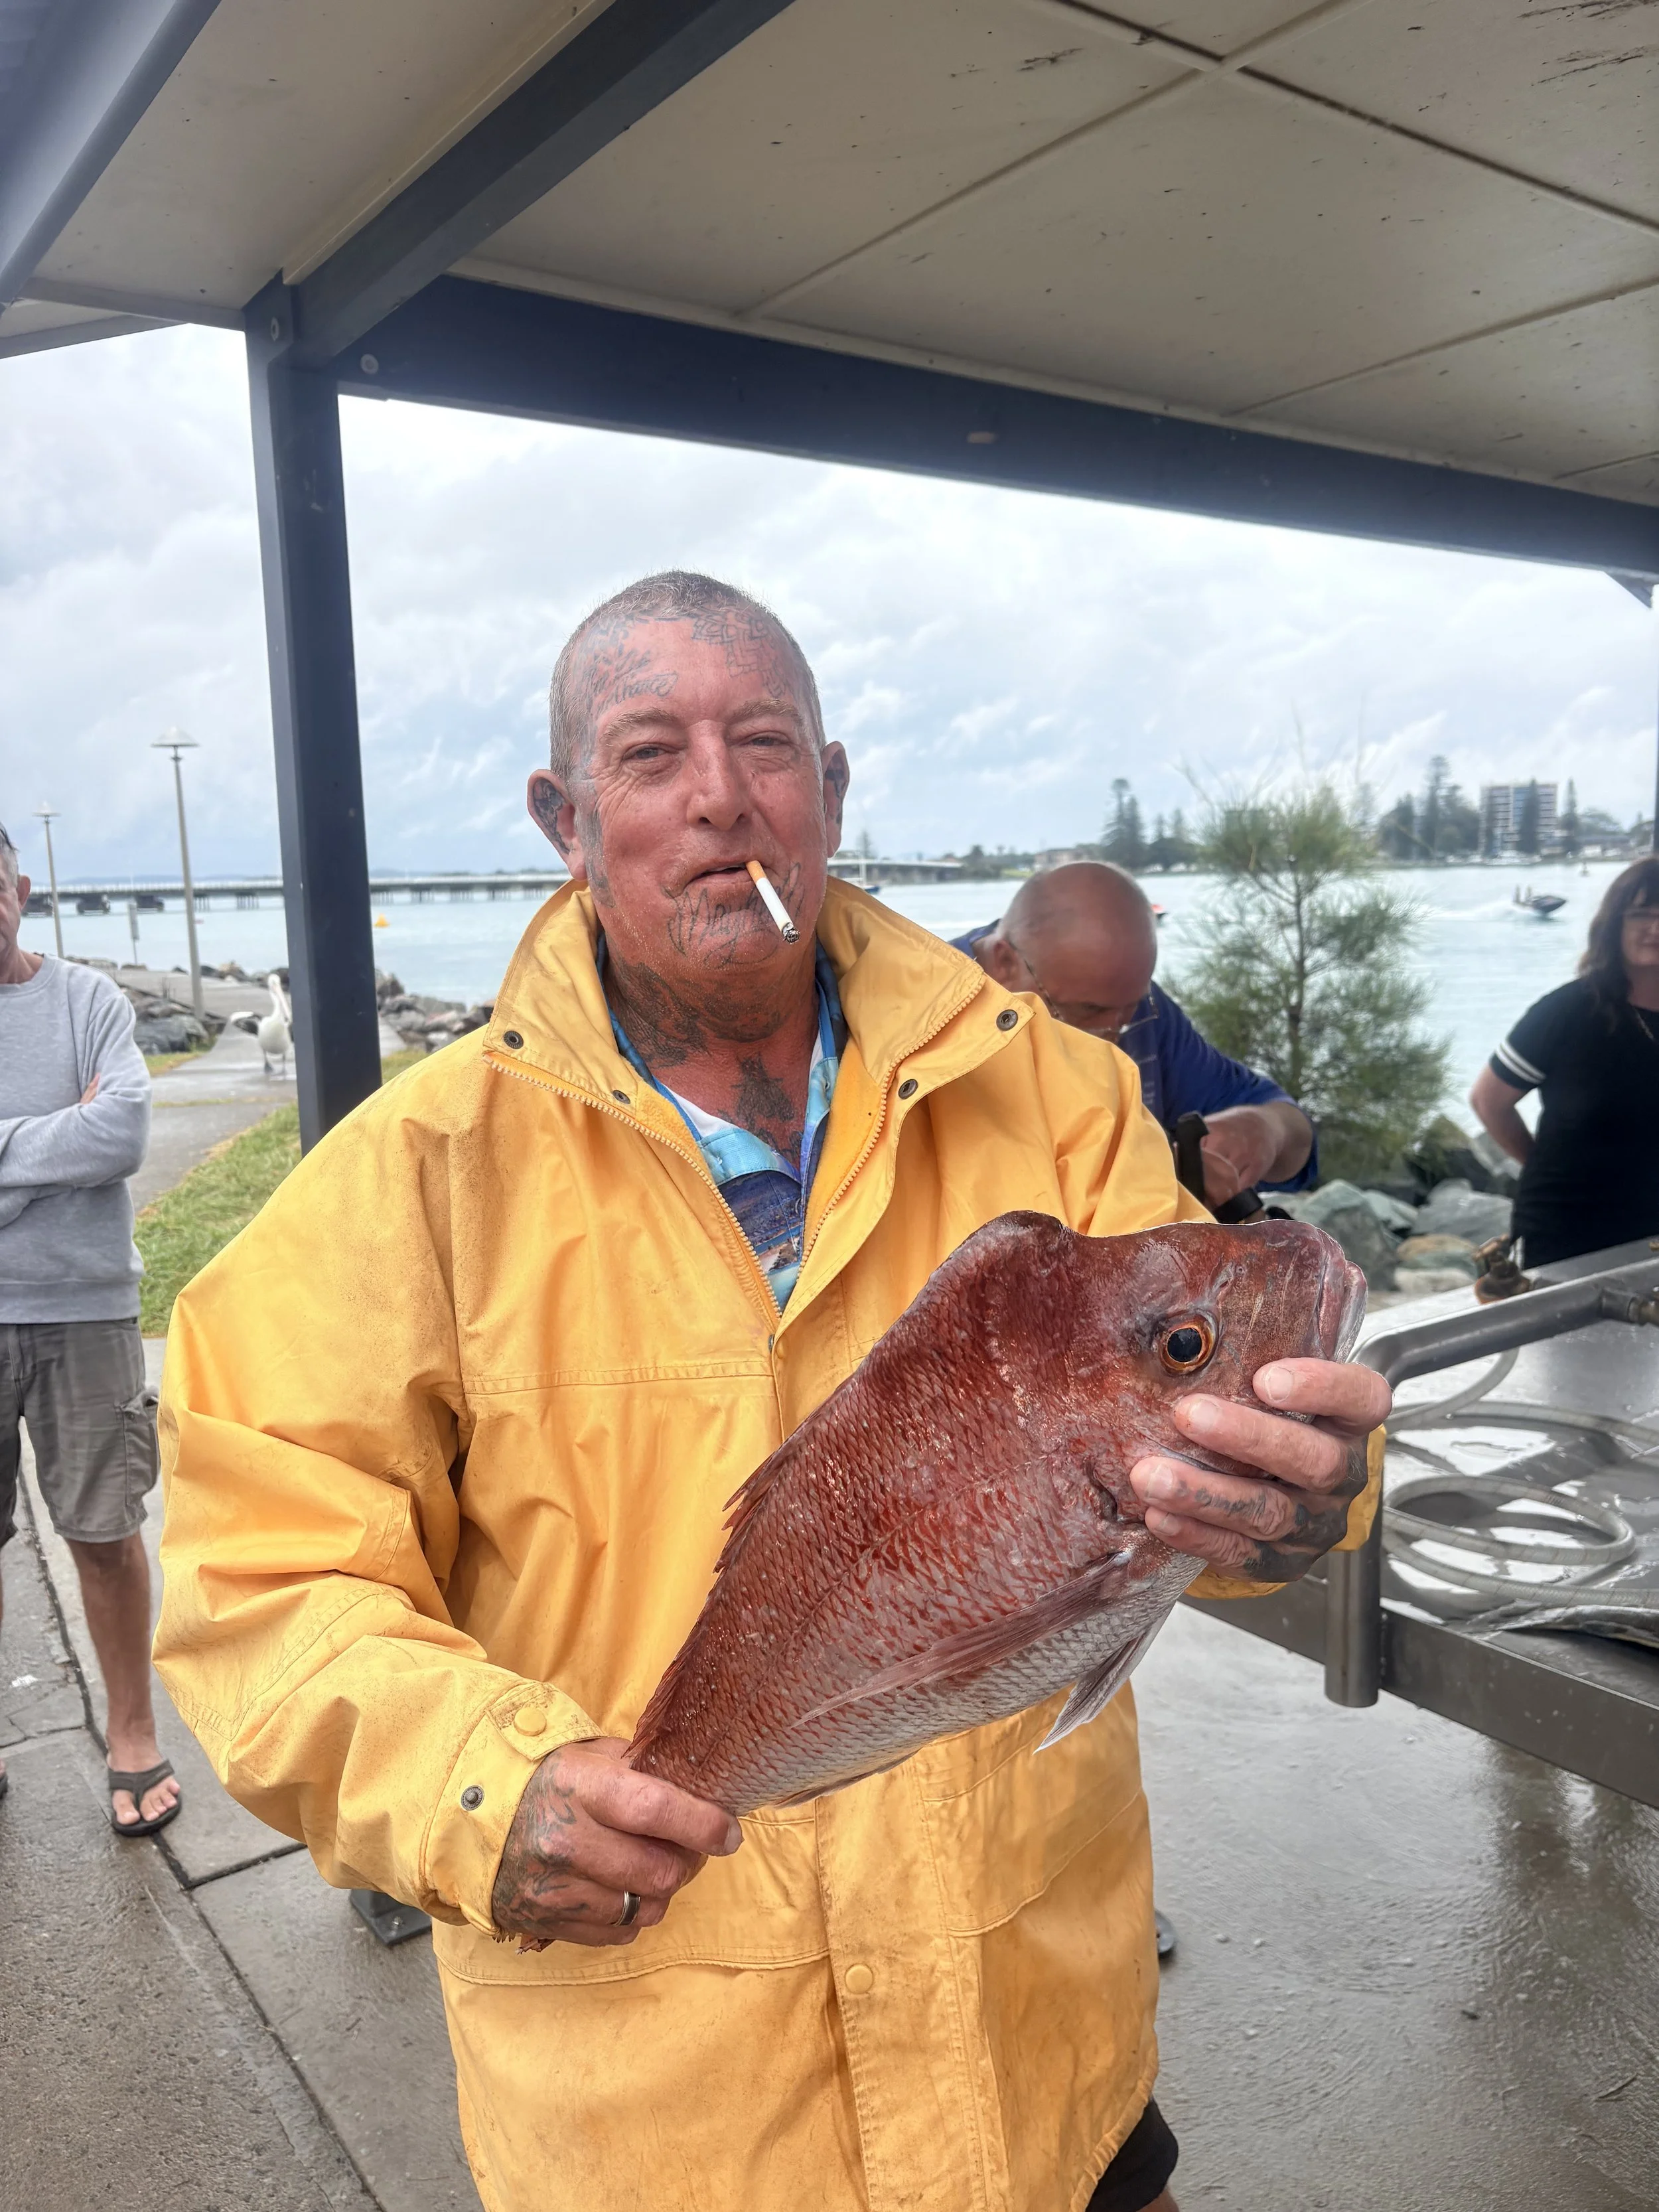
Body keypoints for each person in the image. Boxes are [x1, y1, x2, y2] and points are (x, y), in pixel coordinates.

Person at [155, 573, 1388, 2212]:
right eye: (651, 751)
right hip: (665, 2114)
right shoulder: (410, 1178)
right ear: (566, 818)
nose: (722, 794)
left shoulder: (1065, 1090)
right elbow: (258, 1579)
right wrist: (478, 1788)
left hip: (1043, 2052)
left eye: (767, 744)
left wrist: (1301, 1499)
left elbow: (1194, 1476)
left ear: (832, 792)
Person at [0, 820, 179, 1834]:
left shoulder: (88, 1000)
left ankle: (134, 1733)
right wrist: (50, 1147)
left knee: (106, 1533)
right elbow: (84, 1139)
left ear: (20, 888)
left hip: (89, 1309)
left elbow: (121, 1133)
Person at [954, 865, 1315, 1209]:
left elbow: (1296, 1141)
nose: (1114, 1037)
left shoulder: (1136, 1006)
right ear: (1004, 963)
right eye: (1087, 1012)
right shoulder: (920, 1018)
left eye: (1130, 1008)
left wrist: (1267, 1130)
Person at [1470, 853, 1659, 1266]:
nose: (1655, 928)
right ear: (1615, 926)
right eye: (1641, 915)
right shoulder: (1569, 1012)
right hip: (1567, 1231)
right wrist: (1537, 1160)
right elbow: (1489, 1100)